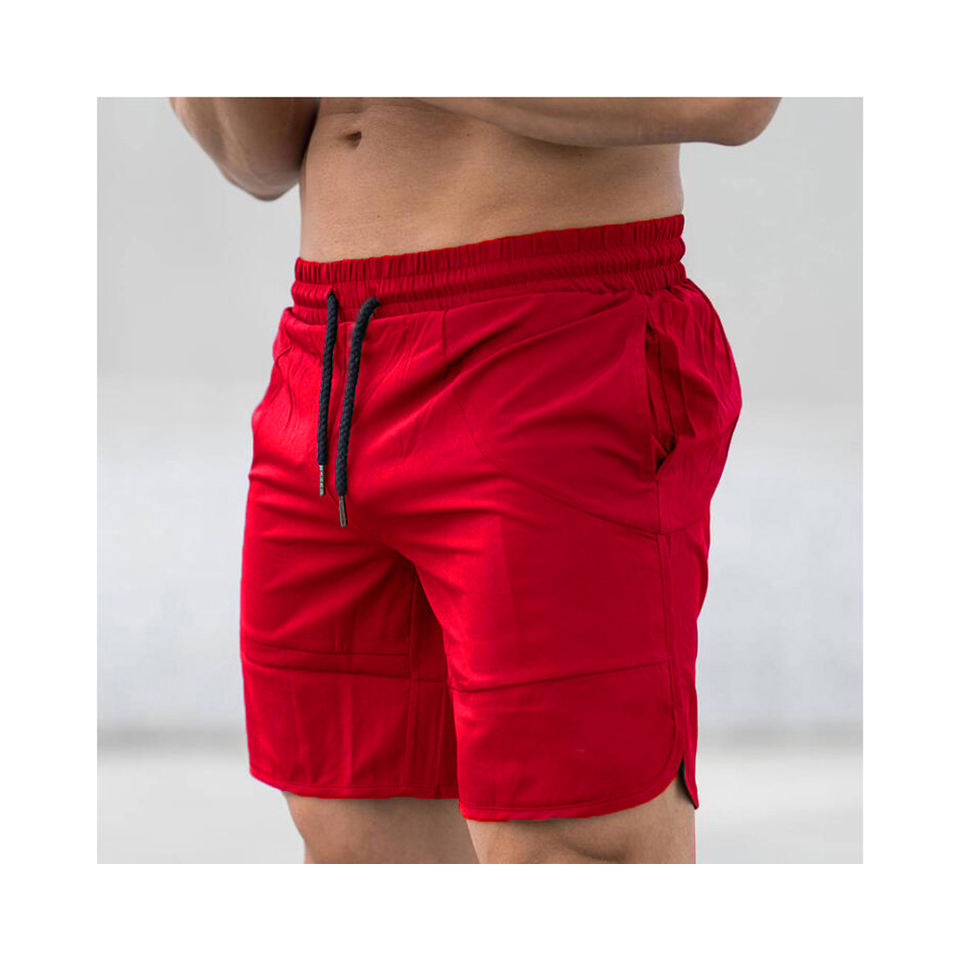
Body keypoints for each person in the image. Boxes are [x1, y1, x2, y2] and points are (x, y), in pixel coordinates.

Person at [171, 97, 780, 863]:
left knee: (571, 843)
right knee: (353, 835)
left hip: (551, 335)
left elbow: (730, 96)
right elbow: (255, 161)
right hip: (328, 359)